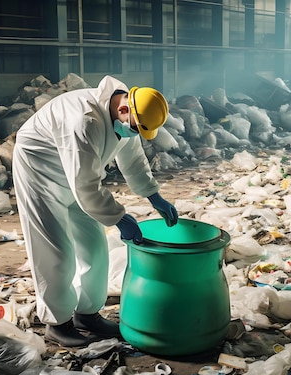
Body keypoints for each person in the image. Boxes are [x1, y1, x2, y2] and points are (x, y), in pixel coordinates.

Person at [12, 75, 179, 347]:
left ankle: (86, 315)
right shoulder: (85, 120)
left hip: (77, 173)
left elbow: (132, 157)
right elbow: (86, 187)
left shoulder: (124, 115)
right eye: (136, 128)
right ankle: (57, 324)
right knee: (55, 251)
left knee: (94, 247)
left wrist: (153, 194)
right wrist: (119, 218)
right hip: (40, 172)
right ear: (124, 110)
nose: (134, 133)